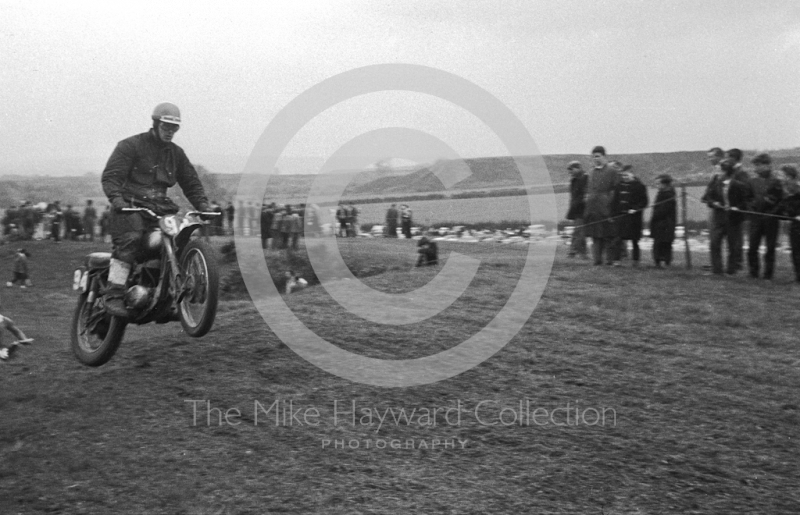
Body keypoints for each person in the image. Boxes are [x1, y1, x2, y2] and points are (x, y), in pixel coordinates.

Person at [101, 102, 210, 317]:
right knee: (131, 238)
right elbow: (112, 177)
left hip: (160, 209)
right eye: (166, 126)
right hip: (131, 207)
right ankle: (113, 293)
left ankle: (168, 295)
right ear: (156, 123)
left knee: (179, 239)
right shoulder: (130, 146)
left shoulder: (176, 154)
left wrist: (204, 206)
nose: (170, 131)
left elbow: (191, 182)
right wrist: (118, 201)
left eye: (174, 128)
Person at [701, 157, 752, 275]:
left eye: (719, 170)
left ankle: (731, 270)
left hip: (733, 219)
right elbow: (707, 198)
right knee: (714, 243)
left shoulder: (738, 185)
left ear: (726, 172)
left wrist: (737, 208)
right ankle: (717, 270)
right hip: (718, 218)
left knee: (732, 246)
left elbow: (745, 201)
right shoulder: (715, 184)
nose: (717, 173)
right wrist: (714, 203)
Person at [746, 153, 783, 280]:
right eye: (755, 166)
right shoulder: (752, 181)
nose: (755, 168)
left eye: (758, 165)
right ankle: (753, 273)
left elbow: (780, 201)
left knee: (770, 248)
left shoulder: (776, 181)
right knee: (752, 247)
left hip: (771, 220)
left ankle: (768, 275)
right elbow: (748, 198)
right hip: (755, 219)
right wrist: (752, 209)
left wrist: (772, 214)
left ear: (766, 165)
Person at [583, 146, 619, 265]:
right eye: (593, 157)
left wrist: (610, 205)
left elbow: (615, 190)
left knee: (608, 235)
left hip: (606, 208)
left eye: (598, 156)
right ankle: (597, 260)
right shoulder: (591, 172)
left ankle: (610, 260)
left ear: (604, 156)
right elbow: (589, 191)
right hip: (593, 209)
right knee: (595, 235)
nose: (595, 159)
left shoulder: (612, 171)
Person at [611, 164, 648, 266]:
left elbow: (644, 202)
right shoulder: (618, 186)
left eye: (626, 175)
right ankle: (616, 261)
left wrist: (635, 209)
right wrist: (612, 215)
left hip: (634, 218)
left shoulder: (640, 186)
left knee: (635, 240)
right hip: (621, 217)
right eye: (623, 175)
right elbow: (614, 202)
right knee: (618, 239)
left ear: (632, 174)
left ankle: (635, 261)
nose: (624, 177)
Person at [650, 174, 677, 268]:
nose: (657, 185)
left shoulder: (668, 195)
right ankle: (659, 261)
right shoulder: (661, 193)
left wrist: (655, 215)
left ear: (665, 184)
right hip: (660, 222)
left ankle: (665, 261)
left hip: (665, 223)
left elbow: (663, 210)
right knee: (659, 242)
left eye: (658, 183)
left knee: (664, 243)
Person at [779, 165, 800, 282]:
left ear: (789, 176)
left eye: (782, 175)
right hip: (794, 225)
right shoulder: (786, 191)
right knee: (795, 251)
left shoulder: (798, 188)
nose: (780, 178)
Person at [566, 160, 588, 259]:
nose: (570, 172)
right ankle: (578, 252)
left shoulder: (585, 178)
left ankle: (576, 252)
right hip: (576, 209)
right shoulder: (574, 179)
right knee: (579, 230)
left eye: (571, 169)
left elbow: (584, 194)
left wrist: (577, 203)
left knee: (579, 231)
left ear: (578, 168)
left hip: (583, 208)